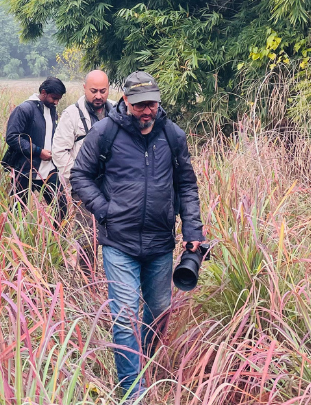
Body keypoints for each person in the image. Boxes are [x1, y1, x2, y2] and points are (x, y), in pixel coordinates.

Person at [69, 71, 204, 398]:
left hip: (160, 243)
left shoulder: (172, 135)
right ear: (126, 100)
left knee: (158, 311)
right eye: (141, 104)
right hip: (119, 243)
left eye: (152, 104)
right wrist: (105, 210)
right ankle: (133, 392)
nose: (147, 111)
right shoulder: (105, 133)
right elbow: (80, 176)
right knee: (127, 315)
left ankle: (139, 360)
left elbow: (186, 184)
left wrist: (193, 230)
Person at [2, 76, 67, 220]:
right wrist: (38, 151)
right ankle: (15, 240)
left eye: (58, 99)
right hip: (25, 169)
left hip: (49, 169)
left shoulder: (51, 110)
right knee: (17, 211)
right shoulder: (24, 109)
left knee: (62, 208)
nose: (56, 102)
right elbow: (12, 137)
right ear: (43, 92)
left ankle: (57, 240)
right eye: (54, 98)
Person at [53, 70, 116, 189]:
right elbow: (59, 151)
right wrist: (80, 178)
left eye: (103, 91)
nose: (98, 96)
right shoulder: (71, 114)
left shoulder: (118, 111)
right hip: (83, 189)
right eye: (93, 91)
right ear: (84, 88)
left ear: (108, 88)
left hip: (114, 186)